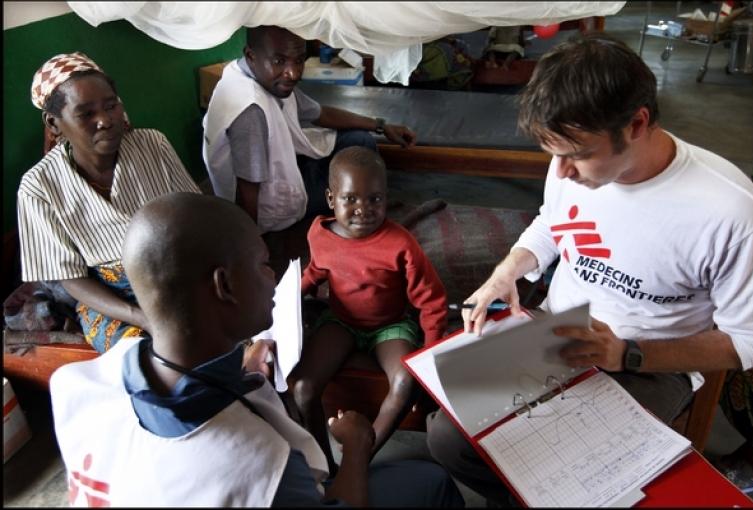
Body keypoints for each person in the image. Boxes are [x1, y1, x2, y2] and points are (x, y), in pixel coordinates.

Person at [425, 33, 753, 506]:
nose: (561, 171)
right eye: (552, 151)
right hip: (557, 331)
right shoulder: (569, 164)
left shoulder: (730, 212)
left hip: (649, 363)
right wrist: (510, 269)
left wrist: (627, 354)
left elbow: (750, 343)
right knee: (449, 438)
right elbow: (553, 221)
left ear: (637, 123)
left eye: (577, 153)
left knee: (570, 474)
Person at [49, 192, 464, 507]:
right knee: (432, 481)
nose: (275, 278)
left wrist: (241, 371)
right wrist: (355, 447)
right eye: (265, 264)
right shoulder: (259, 462)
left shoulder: (75, 383)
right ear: (224, 286)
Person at [17, 52, 200, 353]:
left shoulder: (152, 144)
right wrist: (142, 318)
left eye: (111, 106)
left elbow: (194, 214)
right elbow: (71, 279)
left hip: (176, 271)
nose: (105, 120)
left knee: (221, 333)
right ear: (54, 123)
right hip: (109, 297)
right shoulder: (39, 187)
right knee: (148, 359)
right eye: (86, 114)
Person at [291, 146, 448, 471]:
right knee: (304, 388)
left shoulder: (400, 244)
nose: (363, 209)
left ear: (386, 198)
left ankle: (361, 456)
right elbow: (314, 273)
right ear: (331, 199)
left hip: (389, 325)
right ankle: (323, 460)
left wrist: (430, 352)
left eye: (374, 199)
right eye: (350, 199)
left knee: (406, 381)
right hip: (341, 321)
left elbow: (430, 299)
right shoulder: (320, 234)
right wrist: (287, 300)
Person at [202, 25, 416, 237]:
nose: (293, 73)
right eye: (279, 61)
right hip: (270, 208)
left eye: (299, 60)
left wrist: (381, 125)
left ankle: (352, 199)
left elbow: (320, 113)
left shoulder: (248, 73)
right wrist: (251, 243)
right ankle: (360, 215)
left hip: (277, 176)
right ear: (251, 55)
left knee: (358, 140)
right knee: (362, 153)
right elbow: (248, 188)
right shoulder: (251, 111)